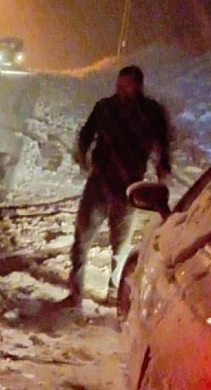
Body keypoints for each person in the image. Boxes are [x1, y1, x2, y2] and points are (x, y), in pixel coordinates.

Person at [61, 65, 172, 308]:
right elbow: (86, 135)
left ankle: (114, 292)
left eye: (126, 86)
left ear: (138, 86)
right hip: (100, 182)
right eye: (119, 85)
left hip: (129, 187)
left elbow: (163, 143)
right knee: (82, 237)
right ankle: (75, 292)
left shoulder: (151, 112)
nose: (120, 90)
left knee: (120, 245)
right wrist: (83, 157)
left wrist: (163, 169)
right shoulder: (105, 108)